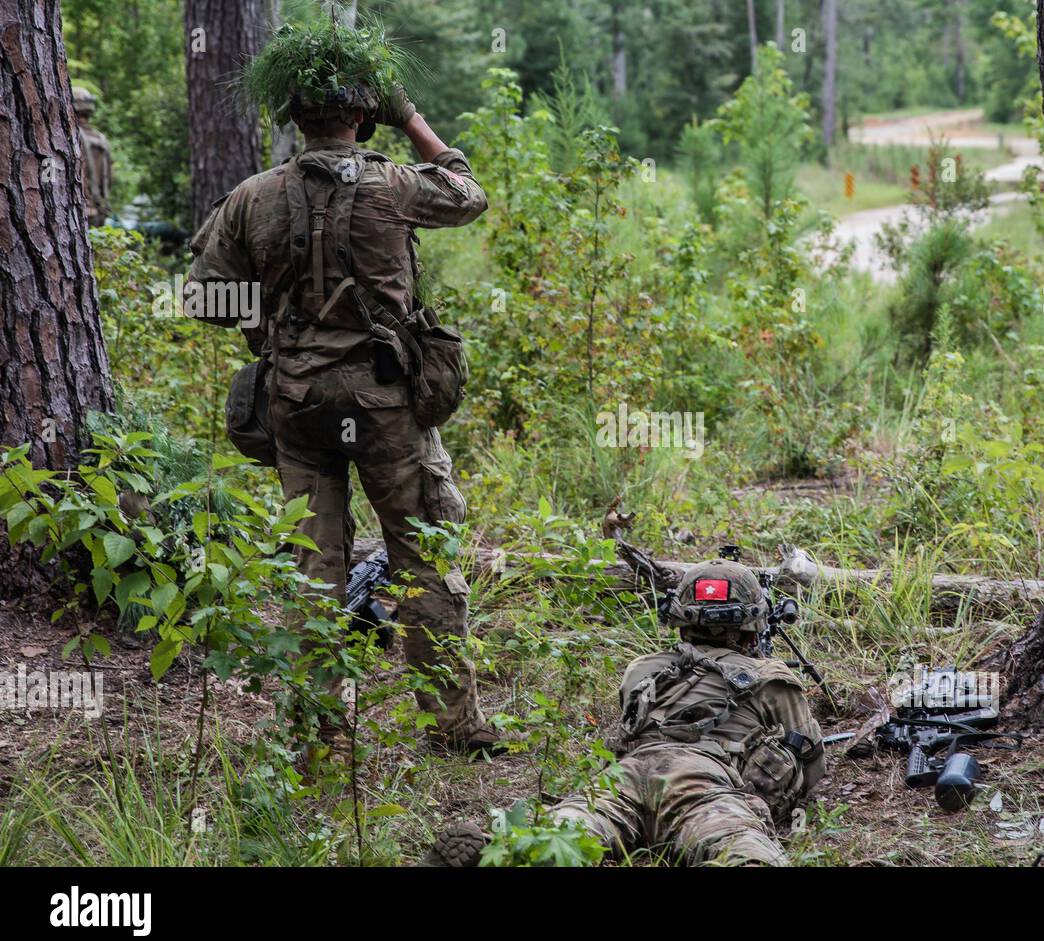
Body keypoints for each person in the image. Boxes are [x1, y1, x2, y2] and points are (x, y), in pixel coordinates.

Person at [186, 66, 503, 756]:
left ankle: (316, 735)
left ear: (295, 120)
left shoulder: (253, 196)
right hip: (384, 400)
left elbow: (203, 299)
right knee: (422, 558)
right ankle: (451, 728)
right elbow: (470, 194)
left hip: (296, 404)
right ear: (366, 121)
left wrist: (274, 324)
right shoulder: (395, 183)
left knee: (313, 570)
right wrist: (414, 117)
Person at [428, 559, 826, 866]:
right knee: (735, 845)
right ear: (754, 625)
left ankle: (502, 849)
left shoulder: (643, 667)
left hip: (627, 773)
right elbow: (811, 762)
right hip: (702, 780)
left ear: (680, 621)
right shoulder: (771, 676)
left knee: (570, 828)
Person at [72, 86, 112, 226]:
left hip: (79, 211)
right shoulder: (101, 139)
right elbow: (109, 177)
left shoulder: (71, 138)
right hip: (100, 211)